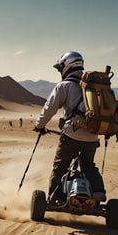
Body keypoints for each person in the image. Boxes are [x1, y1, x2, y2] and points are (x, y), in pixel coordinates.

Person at [34, 51, 105, 205]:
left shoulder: (64, 86)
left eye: (61, 68)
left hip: (71, 135)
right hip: (93, 136)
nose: (60, 71)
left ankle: (56, 198)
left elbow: (49, 108)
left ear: (67, 65)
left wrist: (39, 126)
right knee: (88, 165)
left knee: (60, 166)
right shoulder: (94, 87)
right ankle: (98, 192)